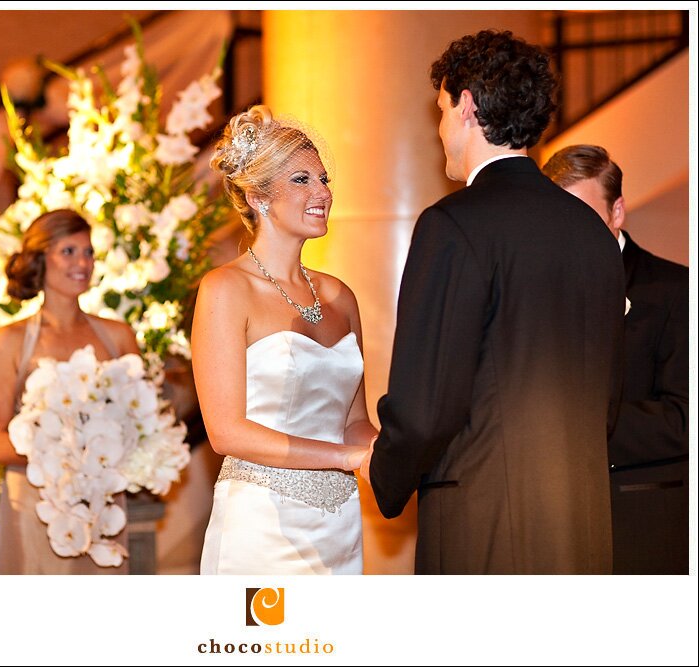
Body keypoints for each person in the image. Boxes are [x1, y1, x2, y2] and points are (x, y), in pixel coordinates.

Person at [361, 30, 626, 574]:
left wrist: (386, 472)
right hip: (583, 523)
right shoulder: (592, 231)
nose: (438, 131)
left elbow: (426, 401)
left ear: (466, 105)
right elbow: (607, 393)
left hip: (486, 521)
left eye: (439, 110)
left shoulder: (454, 224)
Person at [193, 105, 376, 575]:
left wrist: (393, 450)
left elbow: (354, 421)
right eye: (301, 180)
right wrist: (347, 457)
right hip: (262, 526)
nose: (322, 192)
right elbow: (226, 431)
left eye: (323, 178)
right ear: (257, 196)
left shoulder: (339, 295)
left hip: (339, 524)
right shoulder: (225, 290)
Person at [542, 144, 688, 574]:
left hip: (638, 517)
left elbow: (684, 417)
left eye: (584, 215)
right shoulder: (533, 292)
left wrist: (573, 425)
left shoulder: (675, 289)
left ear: (617, 211)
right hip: (549, 521)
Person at [0, 209, 140, 574]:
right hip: (36, 504)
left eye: (88, 252)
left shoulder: (118, 337)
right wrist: (65, 458)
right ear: (40, 259)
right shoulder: (9, 342)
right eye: (68, 251)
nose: (82, 262)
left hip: (104, 503)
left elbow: (142, 426)